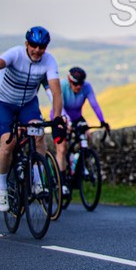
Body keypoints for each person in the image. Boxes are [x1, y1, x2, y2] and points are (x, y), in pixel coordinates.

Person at [0, 26, 65, 212]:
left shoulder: (49, 61)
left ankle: (38, 179)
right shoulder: (16, 54)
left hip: (27, 104)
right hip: (2, 102)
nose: (37, 50)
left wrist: (57, 118)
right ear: (27, 44)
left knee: (39, 134)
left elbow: (56, 92)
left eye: (42, 47)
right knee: (8, 142)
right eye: (33, 45)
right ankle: (1, 187)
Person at [49, 67, 110, 196]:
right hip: (59, 116)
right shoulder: (62, 86)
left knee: (87, 136)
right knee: (62, 148)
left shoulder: (86, 87)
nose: (78, 87)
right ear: (69, 81)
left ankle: (81, 162)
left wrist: (102, 121)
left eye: (81, 84)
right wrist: (67, 122)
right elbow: (59, 107)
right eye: (75, 84)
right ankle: (62, 182)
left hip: (77, 117)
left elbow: (94, 104)